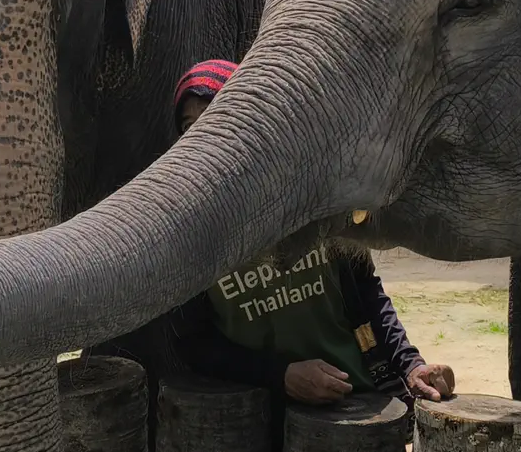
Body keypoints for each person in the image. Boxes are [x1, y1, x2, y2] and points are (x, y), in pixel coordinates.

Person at [167, 59, 456, 406]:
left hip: (357, 402)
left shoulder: (318, 199)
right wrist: (281, 375)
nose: (204, 139)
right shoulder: (188, 233)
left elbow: (367, 292)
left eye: (218, 119)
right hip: (254, 419)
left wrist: (410, 364)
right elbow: (193, 344)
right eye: (189, 127)